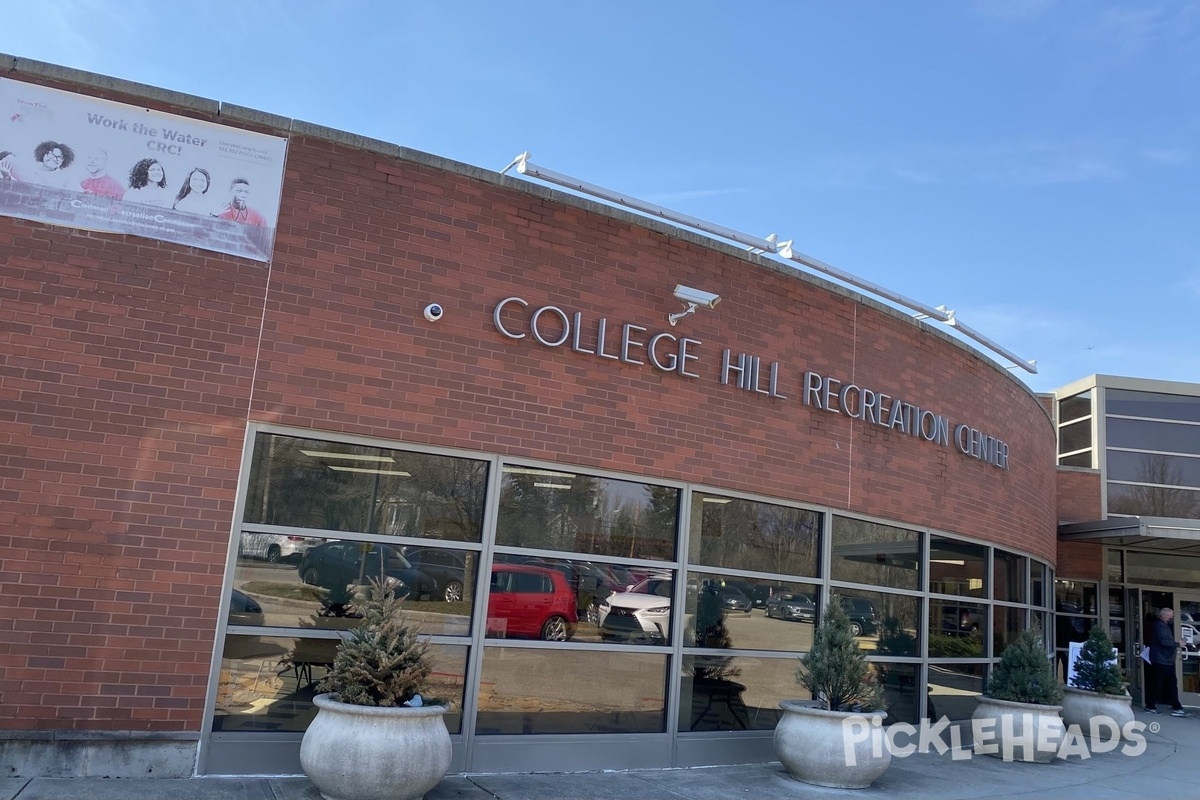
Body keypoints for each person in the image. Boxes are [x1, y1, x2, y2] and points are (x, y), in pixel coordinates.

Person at [1145, 607, 1189, 716]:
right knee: (1160, 683)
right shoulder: (1160, 626)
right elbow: (1165, 642)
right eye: (1171, 616)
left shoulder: (1161, 626)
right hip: (1162, 660)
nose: (1172, 618)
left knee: (1170, 684)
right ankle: (1151, 705)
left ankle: (1176, 707)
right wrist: (1179, 644)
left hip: (1165, 660)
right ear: (1164, 615)